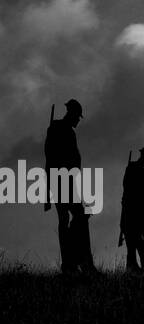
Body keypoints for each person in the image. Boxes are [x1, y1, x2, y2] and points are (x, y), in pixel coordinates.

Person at [44, 99, 85, 273]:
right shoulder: (58, 129)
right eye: (78, 117)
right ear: (73, 114)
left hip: (65, 181)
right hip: (61, 181)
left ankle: (71, 263)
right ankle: (72, 262)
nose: (78, 120)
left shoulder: (64, 130)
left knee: (69, 219)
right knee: (73, 217)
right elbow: (50, 158)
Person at [120, 147, 144, 273]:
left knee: (138, 237)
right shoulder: (135, 169)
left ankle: (143, 266)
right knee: (135, 237)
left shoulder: (134, 169)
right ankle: (140, 266)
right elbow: (128, 188)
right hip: (133, 209)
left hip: (135, 208)